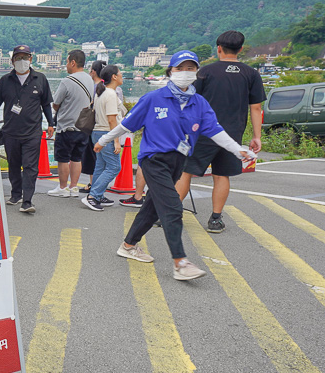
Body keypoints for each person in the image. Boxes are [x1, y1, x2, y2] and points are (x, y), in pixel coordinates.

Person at [93, 50, 255, 280]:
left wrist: (238, 149)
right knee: (172, 207)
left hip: (178, 162)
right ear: (171, 71)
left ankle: (128, 245)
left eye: (191, 68)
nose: (186, 73)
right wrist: (103, 140)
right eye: (181, 68)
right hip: (153, 160)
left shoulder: (199, 103)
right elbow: (126, 125)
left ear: (196, 73)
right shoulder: (153, 99)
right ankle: (180, 262)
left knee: (152, 207)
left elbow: (217, 132)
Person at [174, 30, 265, 232]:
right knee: (221, 175)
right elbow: (256, 108)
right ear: (241, 49)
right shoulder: (251, 74)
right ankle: (215, 219)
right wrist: (256, 136)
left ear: (218, 48)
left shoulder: (205, 72)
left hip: (203, 132)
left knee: (186, 172)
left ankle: (169, 214)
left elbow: (187, 102)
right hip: (231, 135)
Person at [0, 44, 55, 214]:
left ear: (31, 59)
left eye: (25, 57)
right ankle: (16, 194)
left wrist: (51, 124)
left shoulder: (40, 79)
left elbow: (46, 104)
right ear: (12, 61)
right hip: (10, 131)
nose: (22, 61)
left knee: (30, 166)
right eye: (18, 58)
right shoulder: (5, 80)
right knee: (13, 165)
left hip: (32, 132)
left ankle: (27, 201)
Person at [47, 50, 92, 197]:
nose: (66, 65)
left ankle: (62, 188)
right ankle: (73, 188)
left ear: (73, 62)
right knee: (77, 158)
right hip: (84, 127)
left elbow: (56, 103)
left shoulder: (67, 81)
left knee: (63, 158)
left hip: (67, 126)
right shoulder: (90, 79)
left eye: (67, 61)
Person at [81, 65, 123, 210]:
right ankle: (93, 195)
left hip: (98, 132)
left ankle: (97, 195)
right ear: (114, 77)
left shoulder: (101, 92)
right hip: (107, 133)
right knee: (114, 167)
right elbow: (112, 119)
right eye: (120, 74)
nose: (122, 76)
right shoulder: (111, 94)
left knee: (101, 165)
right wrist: (116, 140)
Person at [78, 60, 106, 193]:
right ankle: (96, 185)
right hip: (107, 127)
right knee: (102, 159)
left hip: (93, 127)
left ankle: (94, 185)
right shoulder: (111, 88)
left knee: (92, 157)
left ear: (93, 72)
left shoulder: (93, 88)